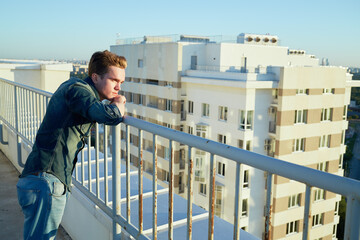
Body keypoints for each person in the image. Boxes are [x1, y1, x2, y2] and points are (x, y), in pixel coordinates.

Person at [16, 50, 127, 240]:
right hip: (46, 182)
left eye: (121, 83)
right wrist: (119, 104)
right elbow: (107, 115)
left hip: (41, 180)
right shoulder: (78, 90)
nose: (118, 87)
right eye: (114, 80)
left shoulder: (75, 87)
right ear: (95, 77)